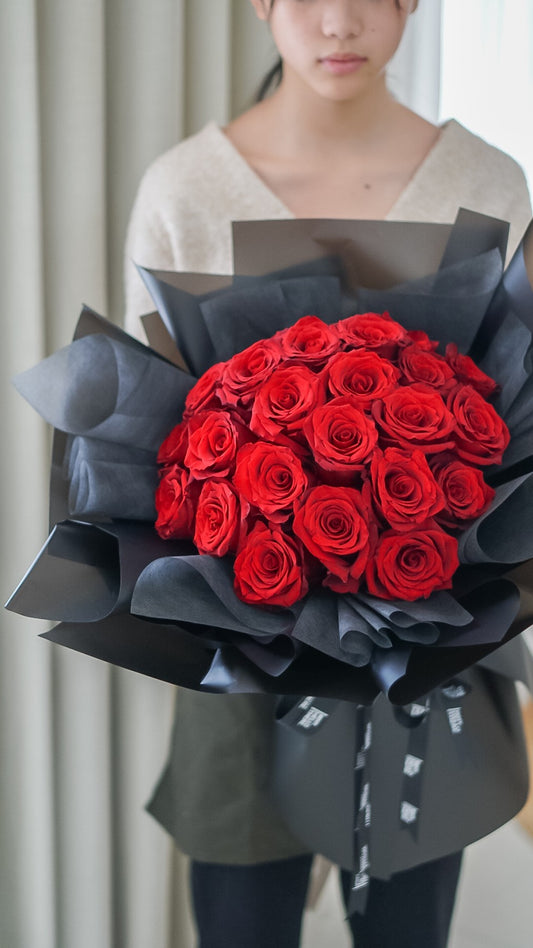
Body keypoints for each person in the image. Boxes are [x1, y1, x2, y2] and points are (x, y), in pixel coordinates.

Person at [124, 2, 532, 946]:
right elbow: (150, 438)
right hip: (240, 642)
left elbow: (518, 430)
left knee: (404, 928)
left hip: (430, 644)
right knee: (241, 921)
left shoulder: (484, 185)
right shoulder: (187, 189)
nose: (338, 23)